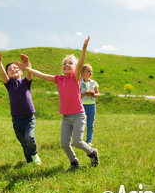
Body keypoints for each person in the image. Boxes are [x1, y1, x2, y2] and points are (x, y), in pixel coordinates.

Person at [15, 36, 98, 171]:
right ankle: (74, 163)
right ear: (61, 68)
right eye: (64, 63)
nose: (66, 65)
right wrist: (27, 68)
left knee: (77, 142)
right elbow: (40, 74)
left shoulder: (75, 78)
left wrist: (84, 49)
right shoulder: (58, 79)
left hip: (78, 116)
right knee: (65, 143)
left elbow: (81, 61)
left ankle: (92, 152)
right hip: (66, 117)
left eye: (70, 63)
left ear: (75, 68)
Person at [0, 51, 41, 165]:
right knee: (23, 142)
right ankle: (29, 161)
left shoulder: (25, 82)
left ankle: (34, 154)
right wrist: (0, 64)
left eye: (15, 68)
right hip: (16, 119)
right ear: (8, 73)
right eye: (10, 69)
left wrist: (27, 64)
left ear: (21, 70)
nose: (13, 70)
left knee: (29, 138)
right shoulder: (9, 84)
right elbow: (3, 76)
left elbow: (30, 74)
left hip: (29, 117)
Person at [80, 64, 100, 146]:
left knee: (90, 124)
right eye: (88, 71)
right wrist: (85, 93)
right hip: (82, 106)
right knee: (81, 124)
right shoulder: (80, 83)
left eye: (91, 71)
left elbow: (98, 93)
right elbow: (78, 95)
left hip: (92, 106)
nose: (90, 72)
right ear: (82, 73)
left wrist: (94, 95)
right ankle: (79, 141)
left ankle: (89, 141)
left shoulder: (93, 83)